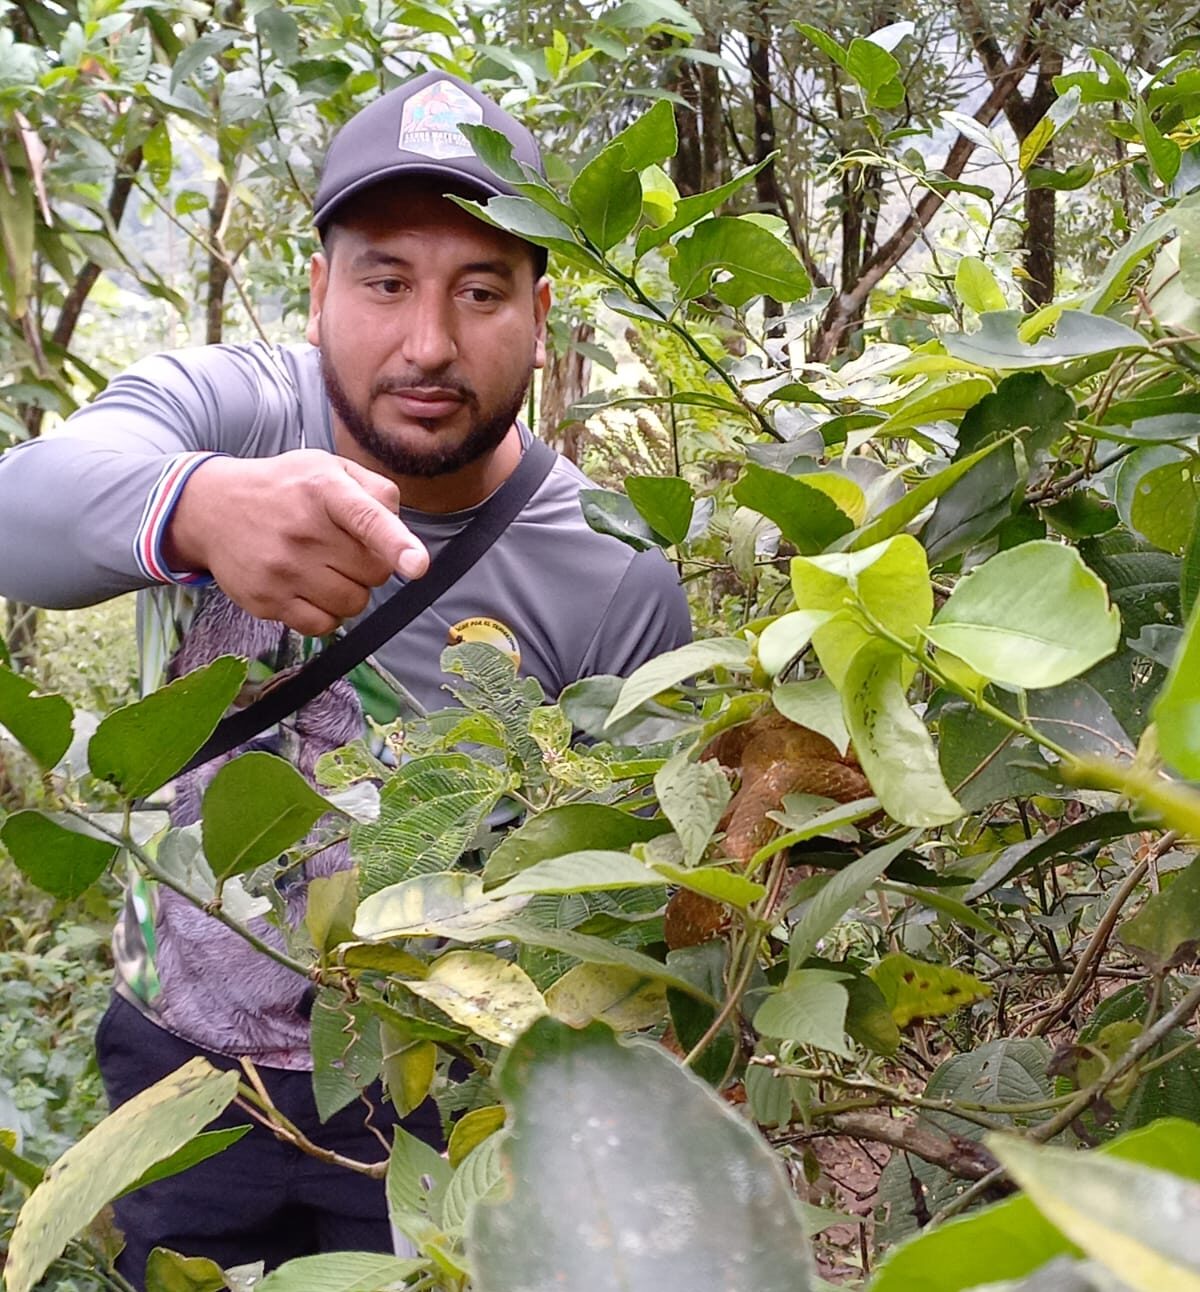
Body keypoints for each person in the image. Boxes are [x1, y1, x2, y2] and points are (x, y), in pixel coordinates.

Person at [0, 70, 690, 1286]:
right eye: (385, 281)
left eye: (481, 290)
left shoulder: (612, 566)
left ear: (542, 311)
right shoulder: (230, 413)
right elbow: (20, 513)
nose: (428, 342)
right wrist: (197, 505)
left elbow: (636, 899)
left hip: (434, 1087)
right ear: (318, 289)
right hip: (179, 1064)